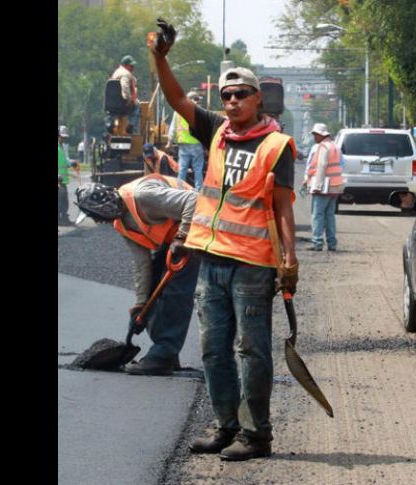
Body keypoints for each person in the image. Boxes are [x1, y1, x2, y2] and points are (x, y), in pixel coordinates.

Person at [149, 18, 299, 461]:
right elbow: (176, 98)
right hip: (211, 259)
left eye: (240, 95)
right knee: (214, 349)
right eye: (226, 96)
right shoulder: (215, 132)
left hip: (253, 265)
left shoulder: (277, 146)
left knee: (251, 350)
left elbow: (283, 208)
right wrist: (160, 57)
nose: (232, 102)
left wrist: (289, 262)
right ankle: (226, 425)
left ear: (258, 99)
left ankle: (257, 435)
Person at [74, 174, 200, 376]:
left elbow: (195, 201)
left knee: (175, 293)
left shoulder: (143, 196)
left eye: (95, 216)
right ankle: (167, 352)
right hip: (173, 240)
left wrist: (182, 237)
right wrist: (140, 306)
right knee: (153, 294)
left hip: (197, 230)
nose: (97, 221)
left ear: (103, 208)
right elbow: (142, 265)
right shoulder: (122, 224)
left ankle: (162, 357)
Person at [301, 123, 344, 251]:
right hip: (335, 186)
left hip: (323, 186)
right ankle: (332, 243)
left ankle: (317, 242)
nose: (314, 137)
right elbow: (341, 165)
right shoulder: (335, 147)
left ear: (321, 135)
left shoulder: (322, 147)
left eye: (315, 135)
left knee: (317, 214)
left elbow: (321, 166)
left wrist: (317, 186)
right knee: (330, 215)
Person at [167, 91, 207, 191]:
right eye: (197, 99)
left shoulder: (178, 111)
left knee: (182, 168)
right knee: (197, 168)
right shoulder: (199, 112)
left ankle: (180, 189)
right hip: (196, 144)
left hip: (183, 144)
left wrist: (169, 142)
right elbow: (205, 129)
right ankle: (198, 190)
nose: (198, 102)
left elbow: (173, 129)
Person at [111, 55, 141, 134]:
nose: (133, 68)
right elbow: (125, 86)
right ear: (125, 65)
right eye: (131, 66)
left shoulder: (116, 72)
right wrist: (129, 99)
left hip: (113, 103)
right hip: (122, 103)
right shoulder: (126, 74)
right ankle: (131, 125)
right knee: (138, 105)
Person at [58, 130, 78, 226]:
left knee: (64, 200)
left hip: (63, 180)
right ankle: (60, 220)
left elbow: (65, 160)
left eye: (65, 138)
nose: (64, 139)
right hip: (58, 179)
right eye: (62, 137)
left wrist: (72, 163)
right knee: (60, 200)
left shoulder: (61, 147)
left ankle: (64, 218)